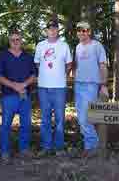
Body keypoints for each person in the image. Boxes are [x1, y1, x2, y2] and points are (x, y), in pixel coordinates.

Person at [0, 30, 36, 164]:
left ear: (21, 41)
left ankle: (24, 149)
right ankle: (5, 152)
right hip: (9, 96)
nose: (15, 42)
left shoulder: (28, 57)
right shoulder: (3, 56)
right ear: (9, 41)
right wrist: (14, 86)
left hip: (25, 95)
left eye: (17, 39)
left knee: (26, 124)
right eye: (12, 40)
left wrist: (23, 84)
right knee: (6, 125)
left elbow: (34, 75)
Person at [34, 19, 72, 156]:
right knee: (45, 118)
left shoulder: (64, 46)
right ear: (46, 30)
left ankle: (59, 148)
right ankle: (46, 147)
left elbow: (69, 64)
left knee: (60, 119)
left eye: (55, 28)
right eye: (50, 28)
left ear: (58, 30)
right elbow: (37, 63)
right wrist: (47, 74)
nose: (52, 30)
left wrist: (60, 75)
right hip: (43, 87)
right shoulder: (40, 45)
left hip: (59, 87)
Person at [74, 21, 109, 158]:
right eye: (80, 30)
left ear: (89, 31)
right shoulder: (77, 47)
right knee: (80, 117)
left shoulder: (97, 46)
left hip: (91, 85)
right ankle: (89, 146)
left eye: (85, 30)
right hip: (78, 84)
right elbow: (77, 65)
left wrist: (104, 84)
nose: (82, 33)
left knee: (85, 118)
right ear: (77, 32)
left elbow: (102, 66)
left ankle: (93, 146)